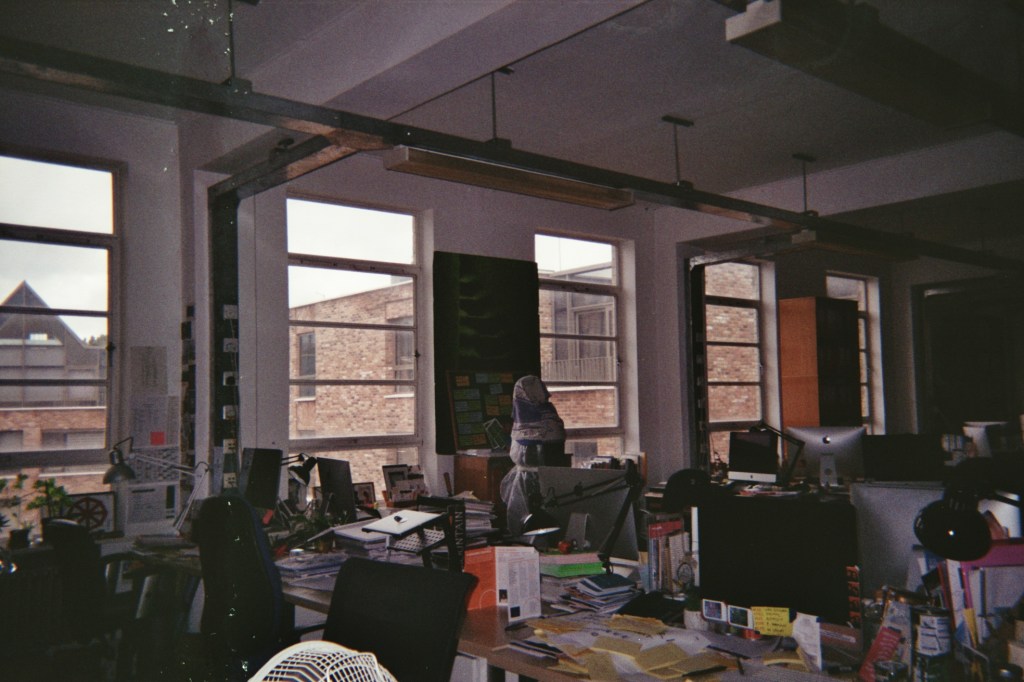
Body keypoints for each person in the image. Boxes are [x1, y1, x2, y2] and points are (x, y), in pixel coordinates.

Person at [499, 375, 566, 536]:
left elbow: (524, 454)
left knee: (527, 525)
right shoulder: (551, 415)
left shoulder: (529, 419)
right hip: (549, 480)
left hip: (532, 482)